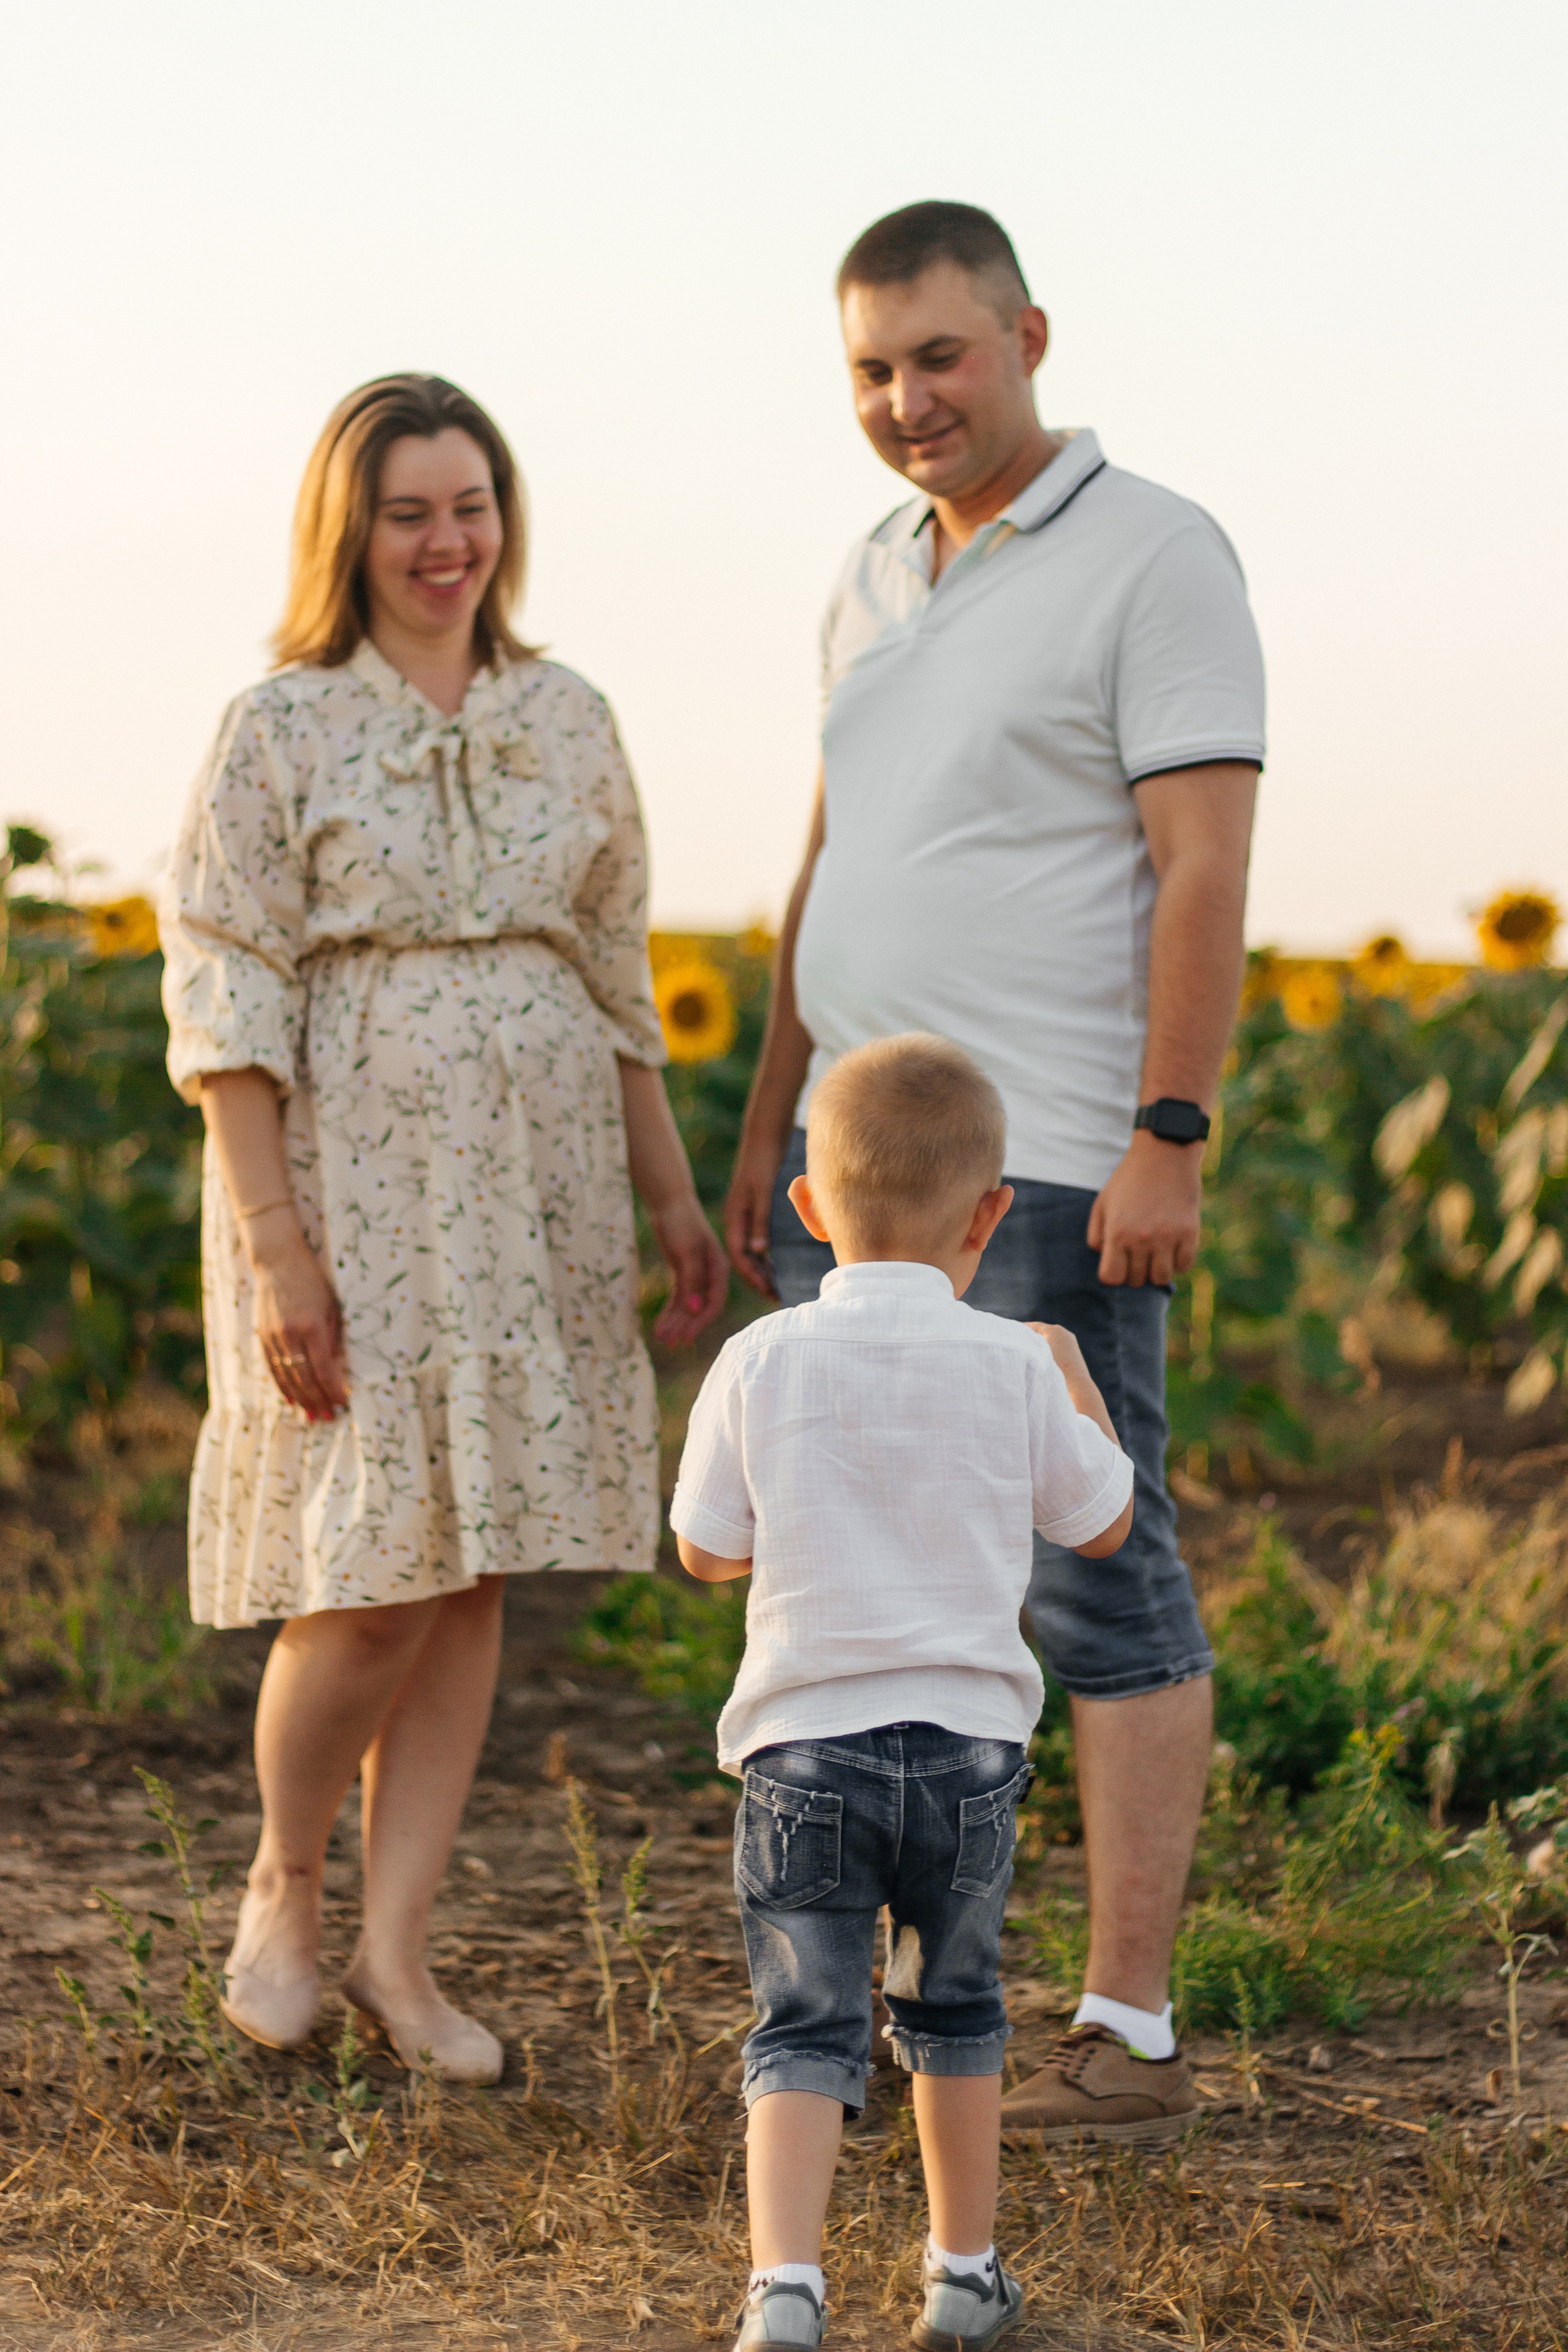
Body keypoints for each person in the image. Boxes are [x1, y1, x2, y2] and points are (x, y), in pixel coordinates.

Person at [724, 202, 1265, 2139]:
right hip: (847, 1178)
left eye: (939, 357)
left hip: (1041, 1169)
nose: (906, 401)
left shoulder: (1155, 553)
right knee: (856, 1580)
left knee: (1092, 1572)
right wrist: (765, 1125)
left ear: (1028, 334)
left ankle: (1119, 2023)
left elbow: (1202, 862)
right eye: (871, 370)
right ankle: (875, 2013)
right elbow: (826, 865)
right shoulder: (868, 571)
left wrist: (1167, 1134)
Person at [159, 373, 728, 2082]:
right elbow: (224, 991)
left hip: (537, 1185)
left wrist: (674, 1190)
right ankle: (283, 1889)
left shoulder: (570, 715)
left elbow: (618, 976)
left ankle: (401, 1961)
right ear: (353, 530)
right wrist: (279, 1244)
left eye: (469, 505)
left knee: (469, 1567)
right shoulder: (280, 726)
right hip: (351, 1191)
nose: (445, 542)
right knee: (367, 1568)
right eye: (408, 511)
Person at [675, 1036, 1134, 2352]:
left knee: (803, 2024)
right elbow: (1101, 1526)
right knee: (956, 2010)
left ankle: (784, 2293)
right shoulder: (1012, 1363)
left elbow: (708, 1553)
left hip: (803, 1752)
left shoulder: (759, 1361)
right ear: (991, 1214)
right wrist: (1072, 1374)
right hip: (967, 1754)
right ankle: (959, 2273)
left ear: (807, 1210)